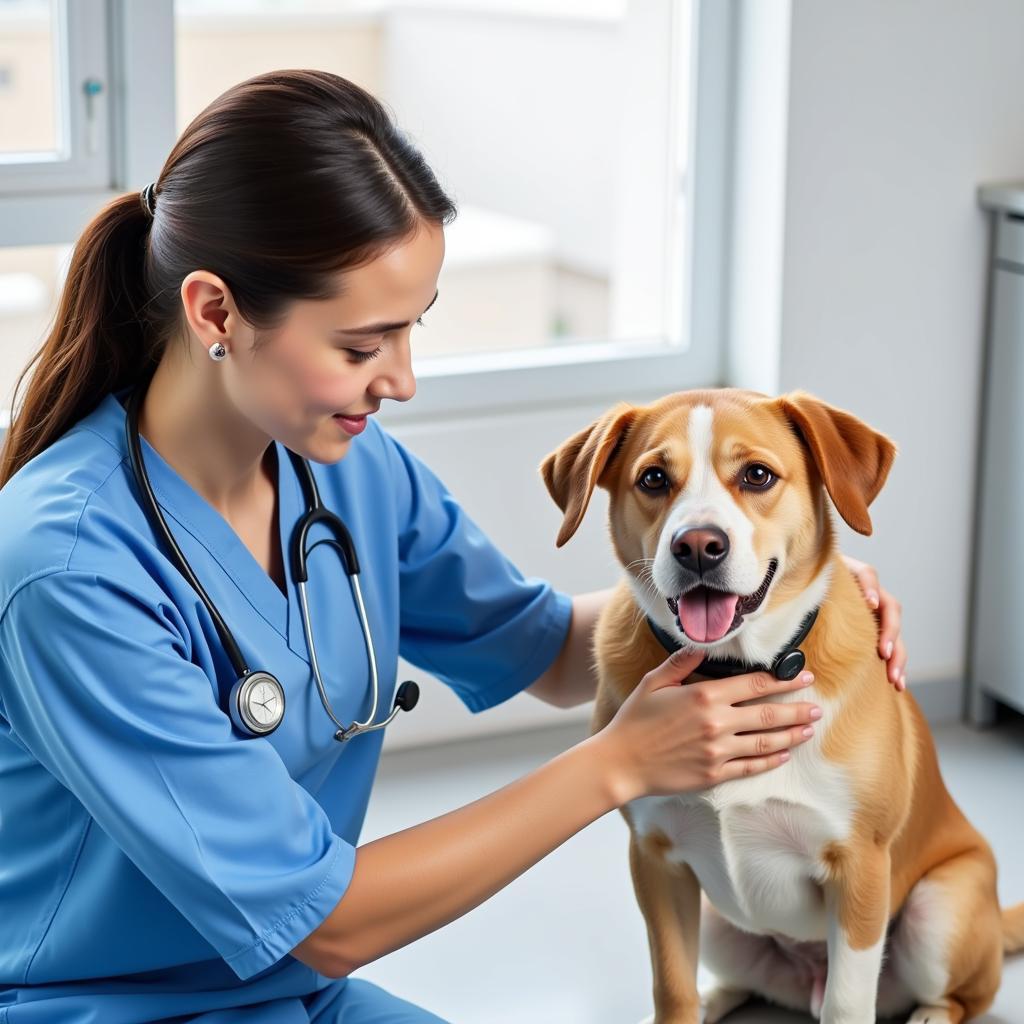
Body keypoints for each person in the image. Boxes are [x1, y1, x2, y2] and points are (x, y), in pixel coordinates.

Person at [0, 70, 907, 1024]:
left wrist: (790, 592)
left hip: (295, 994)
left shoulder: (346, 471)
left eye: (411, 330)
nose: (401, 380)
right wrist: (616, 764)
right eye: (362, 345)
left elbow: (548, 651)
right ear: (216, 312)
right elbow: (327, 921)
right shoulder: (69, 565)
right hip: (92, 1003)